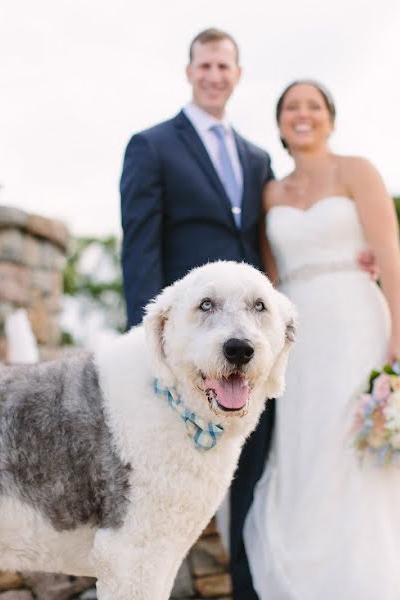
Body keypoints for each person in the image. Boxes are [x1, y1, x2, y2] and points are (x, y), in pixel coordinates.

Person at [243, 80, 400, 599]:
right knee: (305, 451)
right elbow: (269, 280)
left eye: (313, 106)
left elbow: (389, 254)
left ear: (331, 118)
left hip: (356, 325)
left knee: (356, 451)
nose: (303, 115)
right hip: (297, 337)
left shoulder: (357, 171)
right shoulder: (270, 193)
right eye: (291, 107)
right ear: (279, 123)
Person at [119, 28, 274, 599]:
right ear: (190, 71)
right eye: (205, 65)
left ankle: (245, 591)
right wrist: (149, 343)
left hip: (250, 347)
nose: (214, 75)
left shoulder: (258, 159)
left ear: (237, 74)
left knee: (250, 473)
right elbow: (140, 246)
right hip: (189, 354)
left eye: (224, 66)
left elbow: (266, 244)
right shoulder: (152, 145)